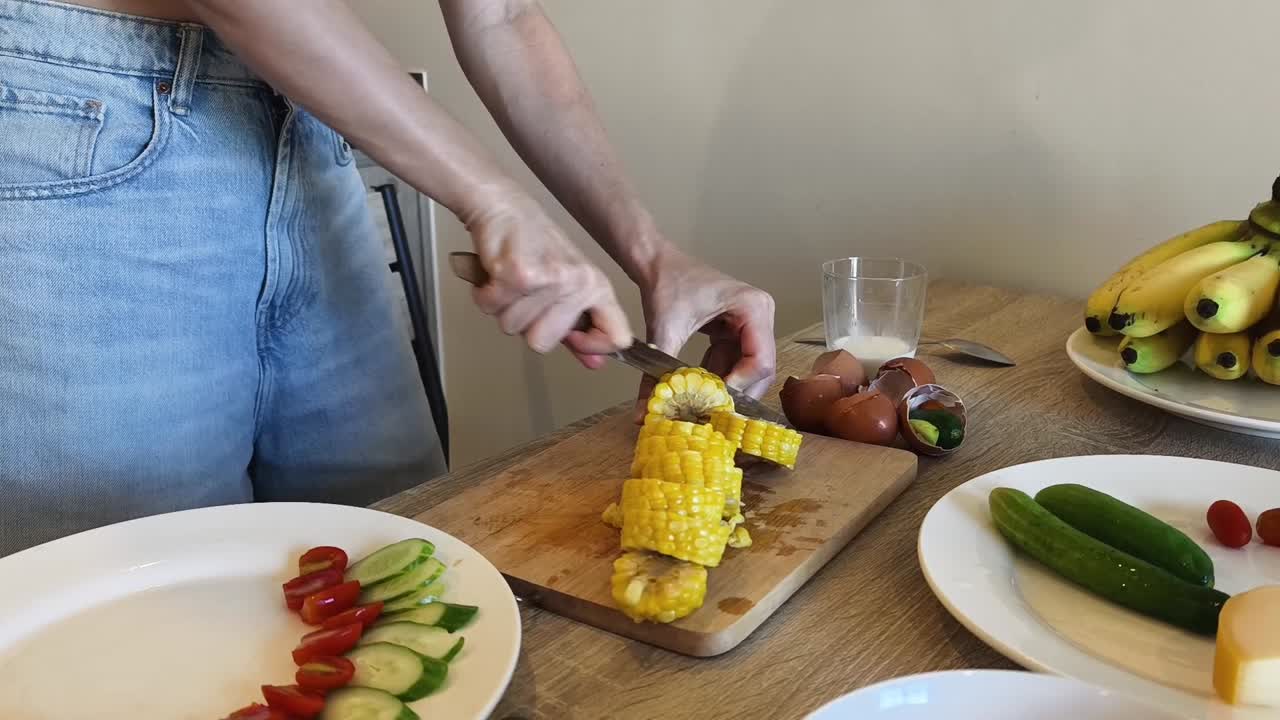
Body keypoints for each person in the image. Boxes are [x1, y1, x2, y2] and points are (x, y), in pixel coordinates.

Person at [0, 0, 776, 557]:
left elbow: (501, 14)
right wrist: (494, 198)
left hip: (307, 124)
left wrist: (655, 254)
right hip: (77, 114)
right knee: (132, 600)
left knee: (392, 560)